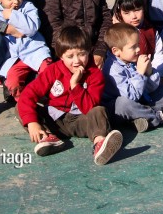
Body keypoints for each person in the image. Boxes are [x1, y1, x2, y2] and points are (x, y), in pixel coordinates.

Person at [16, 25, 123, 164]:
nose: (76, 61)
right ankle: (48, 138)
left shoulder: (95, 75)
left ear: (89, 51)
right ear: (61, 56)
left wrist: (75, 85)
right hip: (56, 121)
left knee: (99, 111)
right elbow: (28, 94)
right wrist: (32, 123)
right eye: (70, 56)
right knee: (21, 108)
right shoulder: (53, 70)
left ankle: (100, 143)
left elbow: (89, 107)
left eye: (81, 54)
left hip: (81, 121)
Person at [101, 23, 163, 133]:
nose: (138, 49)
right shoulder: (113, 69)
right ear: (116, 51)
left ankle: (140, 119)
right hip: (120, 110)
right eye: (133, 47)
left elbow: (149, 88)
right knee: (123, 103)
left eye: (138, 44)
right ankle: (159, 117)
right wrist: (140, 73)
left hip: (140, 101)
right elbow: (131, 97)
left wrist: (149, 72)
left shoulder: (130, 59)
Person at [111, 0, 163, 80]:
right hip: (127, 80)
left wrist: (160, 76)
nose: (134, 16)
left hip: (151, 76)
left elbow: (160, 56)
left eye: (137, 10)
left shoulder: (150, 30)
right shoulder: (115, 34)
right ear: (119, 14)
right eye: (127, 13)